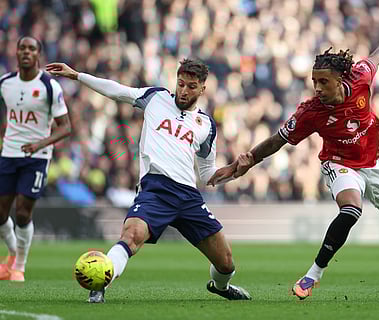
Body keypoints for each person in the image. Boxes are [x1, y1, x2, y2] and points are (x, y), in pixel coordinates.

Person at [208, 18, 379, 301]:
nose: (317, 88)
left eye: (323, 82)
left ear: (341, 79)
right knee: (351, 210)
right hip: (339, 162)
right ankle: (313, 274)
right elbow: (277, 140)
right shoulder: (310, 112)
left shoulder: (360, 77)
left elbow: (376, 57)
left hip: (374, 161)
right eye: (314, 82)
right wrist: (246, 161)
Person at [46, 58, 251, 303]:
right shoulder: (156, 98)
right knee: (131, 236)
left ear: (203, 88)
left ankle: (221, 287)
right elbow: (117, 91)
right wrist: (77, 75)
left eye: (191, 86)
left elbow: (207, 174)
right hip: (156, 189)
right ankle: (100, 283)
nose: (184, 91)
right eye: (181, 83)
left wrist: (233, 171)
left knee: (226, 263)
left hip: (188, 196)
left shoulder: (206, 125)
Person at [0, 36, 72, 282]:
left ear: (38, 54)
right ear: (16, 52)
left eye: (32, 48)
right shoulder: (5, 83)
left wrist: (40, 143)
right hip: (9, 153)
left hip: (37, 157)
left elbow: (65, 127)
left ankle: (19, 266)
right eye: (22, 48)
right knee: (0, 214)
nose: (26, 52)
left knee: (22, 213)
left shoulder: (50, 86)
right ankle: (11, 255)